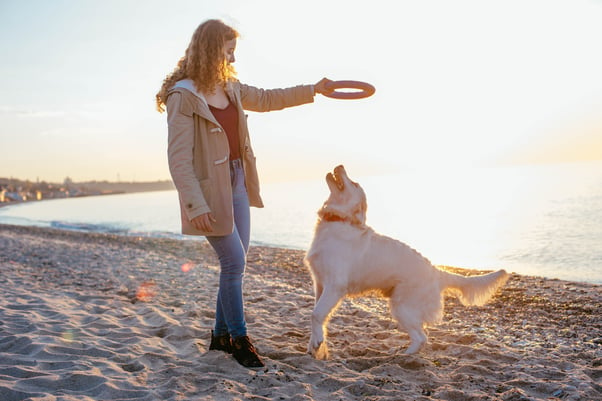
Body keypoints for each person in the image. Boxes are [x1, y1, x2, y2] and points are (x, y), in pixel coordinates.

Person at [156, 19, 333, 368]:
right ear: (211, 51)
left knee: (234, 264)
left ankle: (220, 337)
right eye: (228, 51)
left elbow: (268, 99)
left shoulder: (230, 87)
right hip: (209, 190)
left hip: (237, 180)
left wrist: (314, 89)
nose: (233, 58)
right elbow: (178, 159)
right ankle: (240, 340)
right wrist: (195, 204)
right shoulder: (183, 96)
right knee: (233, 262)